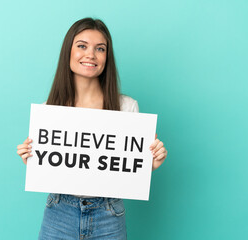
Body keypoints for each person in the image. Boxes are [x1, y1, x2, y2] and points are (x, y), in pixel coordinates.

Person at [17, 17, 167, 240]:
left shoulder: (127, 107)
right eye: (82, 46)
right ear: (68, 51)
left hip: (109, 213)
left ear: (107, 57)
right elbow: (48, 166)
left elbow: (127, 168)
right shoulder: (49, 111)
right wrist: (30, 158)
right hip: (59, 211)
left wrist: (150, 164)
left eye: (100, 49)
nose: (91, 54)